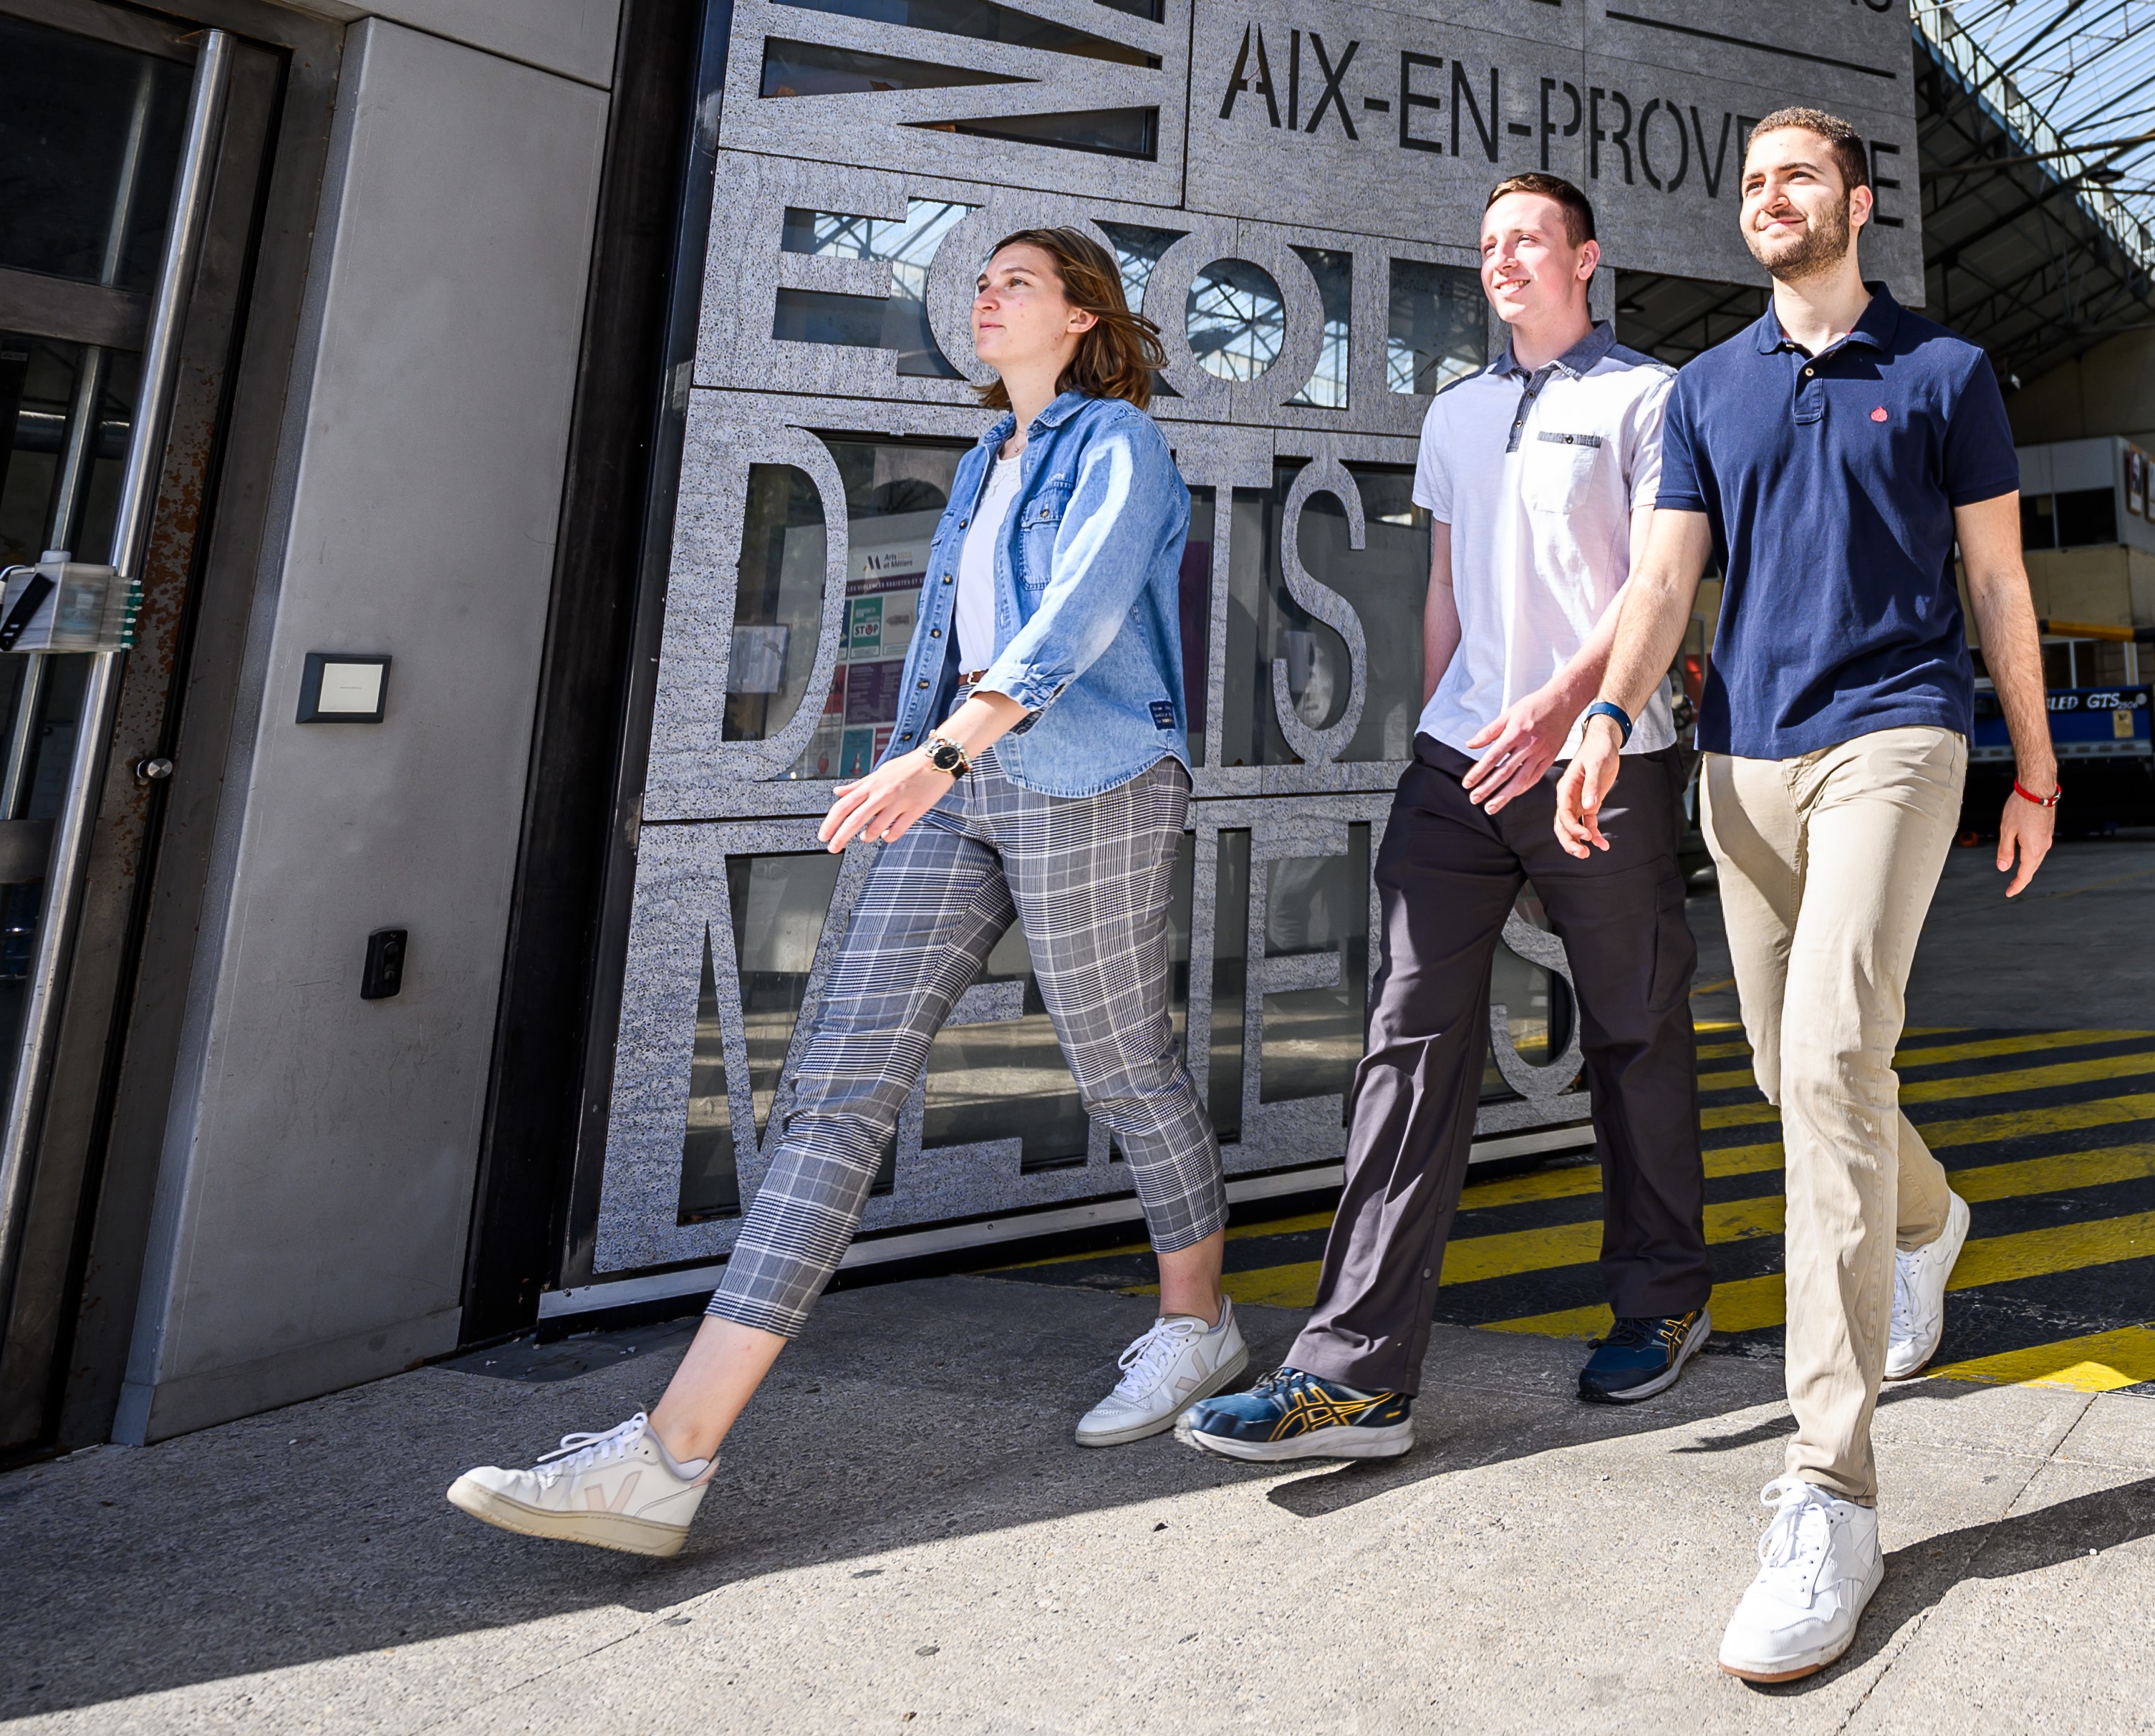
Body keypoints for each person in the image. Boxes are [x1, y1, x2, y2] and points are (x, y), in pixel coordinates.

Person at [446, 228, 1238, 1556]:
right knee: (834, 1093)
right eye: (979, 283)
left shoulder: (1121, 447)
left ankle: (1194, 1324)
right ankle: (669, 1454)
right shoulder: (989, 461)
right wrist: (909, 766)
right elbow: (948, 639)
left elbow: (1079, 617)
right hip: (960, 786)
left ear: (1086, 317)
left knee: (1121, 1068)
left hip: (1090, 777)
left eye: (1017, 284)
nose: (985, 298)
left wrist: (933, 756)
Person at [1555, 106, 2061, 1682]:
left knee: (1835, 1061)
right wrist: (1604, 715)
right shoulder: (1706, 388)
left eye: (1795, 177)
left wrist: (2034, 767)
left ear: (1855, 201)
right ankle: (1927, 1213)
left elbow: (1996, 581)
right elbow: (1661, 580)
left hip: (1899, 734)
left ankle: (1827, 1484)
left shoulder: (1947, 373)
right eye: (1750, 181)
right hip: (1741, 756)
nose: (1769, 198)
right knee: (1791, 1068)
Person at [1175, 173, 1712, 1462]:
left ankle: (1661, 1298)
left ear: (1589, 257)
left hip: (1608, 755)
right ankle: (1354, 1375)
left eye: (1527, 239)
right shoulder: (1457, 412)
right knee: (1407, 1044)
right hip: (1463, 763)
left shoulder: (1650, 397)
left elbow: (1659, 584)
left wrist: (1563, 711)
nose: (1502, 260)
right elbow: (1446, 590)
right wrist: (1445, 725)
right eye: (1485, 246)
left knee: (1634, 1034)